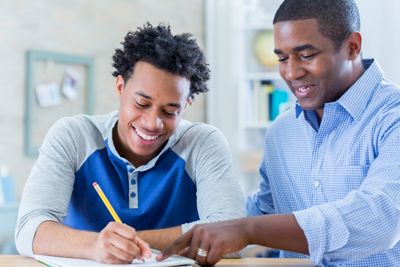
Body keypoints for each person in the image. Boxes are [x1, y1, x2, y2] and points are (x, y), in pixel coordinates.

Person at [158, 0, 400, 266]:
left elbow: (380, 218)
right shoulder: (282, 133)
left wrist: (246, 230)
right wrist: (145, 230)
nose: (291, 72)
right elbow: (260, 211)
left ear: (352, 47)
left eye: (306, 55)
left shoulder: (392, 117)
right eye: (282, 58)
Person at [15, 23, 245, 264]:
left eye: (169, 111)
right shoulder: (73, 136)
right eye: (142, 104)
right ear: (121, 87)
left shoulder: (203, 143)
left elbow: (232, 232)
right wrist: (96, 245)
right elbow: (29, 229)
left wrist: (131, 242)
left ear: (185, 105)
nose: (152, 123)